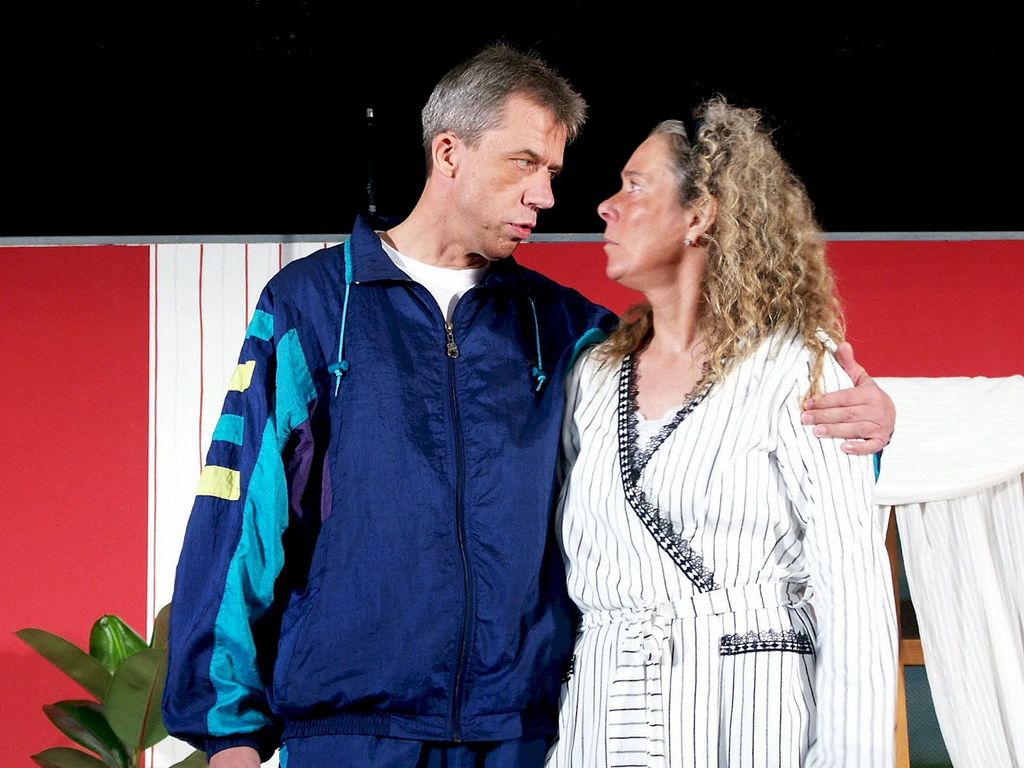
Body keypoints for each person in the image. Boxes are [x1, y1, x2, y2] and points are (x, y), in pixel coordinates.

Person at [163, 44, 895, 768]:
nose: (544, 196)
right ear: (449, 152)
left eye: (552, 173)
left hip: (521, 733)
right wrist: (231, 737)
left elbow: (706, 414)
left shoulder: (574, 332)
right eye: (524, 163)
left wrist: (874, 422)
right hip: (351, 731)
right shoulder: (314, 305)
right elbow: (240, 518)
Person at [545, 99, 898, 768]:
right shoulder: (593, 375)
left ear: (699, 215)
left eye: (634, 186)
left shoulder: (795, 367)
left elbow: (853, 589)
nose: (606, 206)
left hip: (748, 711)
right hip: (603, 710)